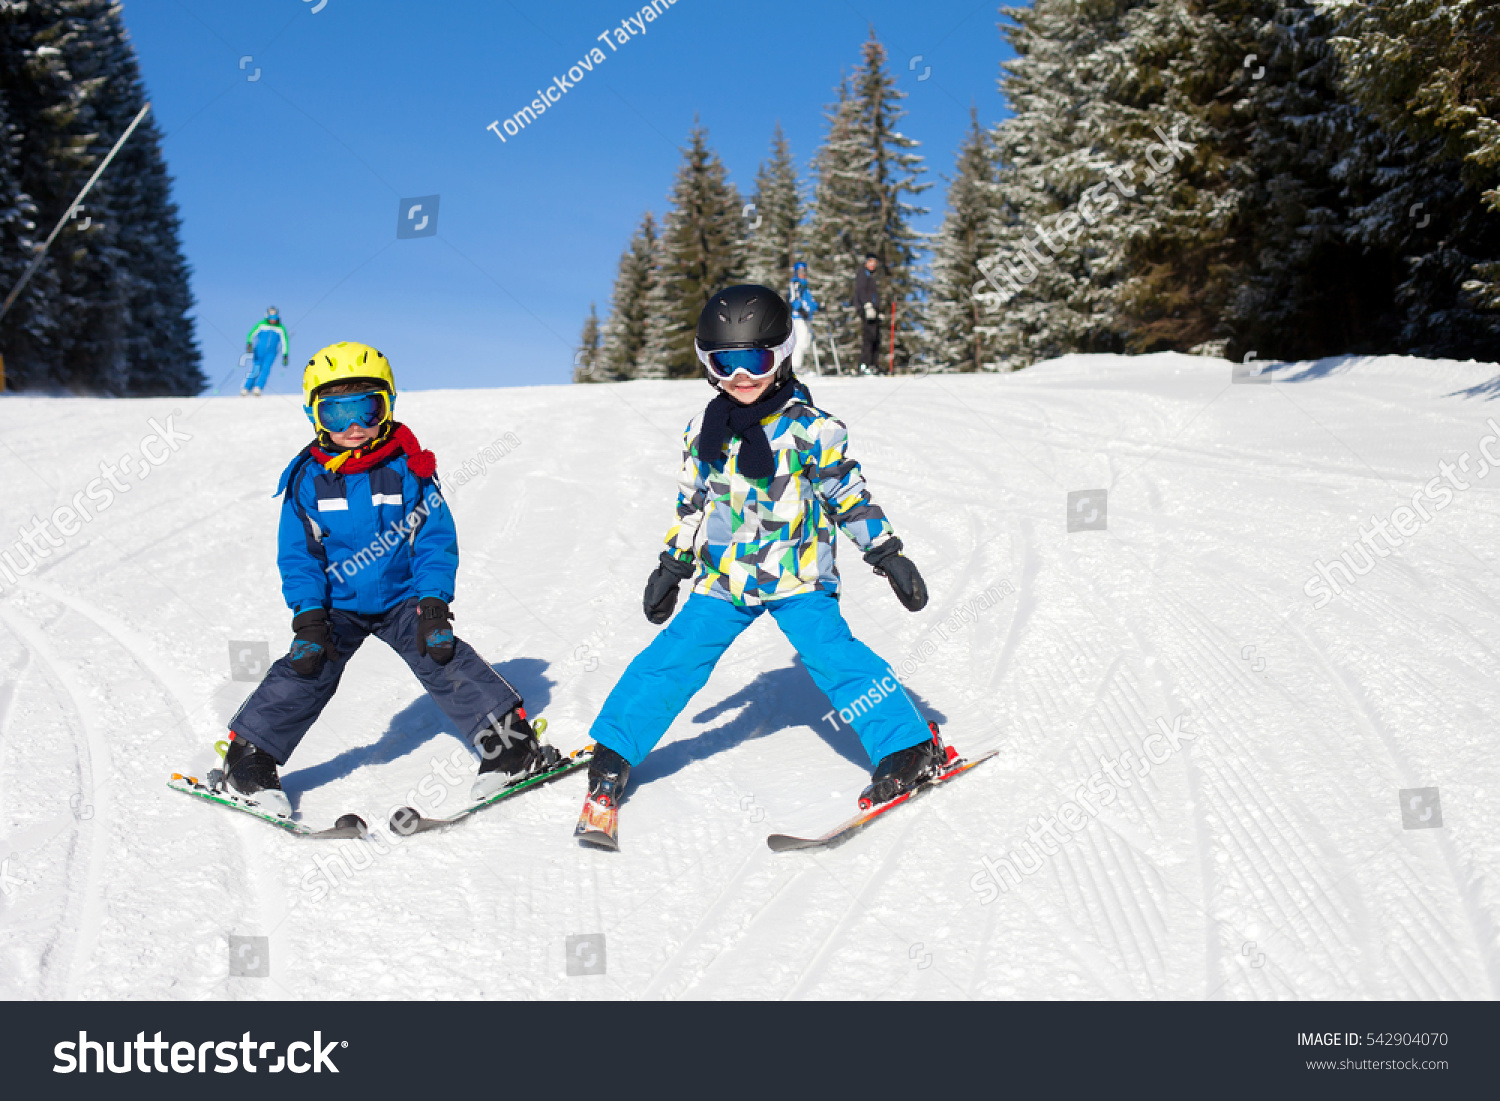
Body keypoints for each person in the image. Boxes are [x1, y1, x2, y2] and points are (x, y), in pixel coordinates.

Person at [575, 284, 939, 848]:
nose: (741, 376)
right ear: (707, 363)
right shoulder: (704, 433)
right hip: (725, 580)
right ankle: (615, 751)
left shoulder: (813, 430)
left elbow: (849, 494)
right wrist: (672, 565)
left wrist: (886, 552)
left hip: (798, 577)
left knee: (833, 656)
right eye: (726, 362)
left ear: (783, 355)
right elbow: (692, 504)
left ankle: (906, 746)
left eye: (755, 360)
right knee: (672, 659)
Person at [222, 342, 550, 817]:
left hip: (403, 598)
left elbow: (434, 539)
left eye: (367, 409)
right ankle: (249, 758)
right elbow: (299, 557)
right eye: (336, 413)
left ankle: (511, 746)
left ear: (388, 405)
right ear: (315, 415)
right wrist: (309, 613)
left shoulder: (406, 470)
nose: (353, 427)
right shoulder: (307, 480)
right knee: (308, 666)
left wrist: (433, 604)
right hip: (337, 603)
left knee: (441, 654)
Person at [241, 306, 290, 396]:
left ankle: (258, 387)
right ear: (267, 316)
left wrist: (285, 355)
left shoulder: (280, 328)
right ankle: (246, 388)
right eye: (271, 318)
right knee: (255, 368)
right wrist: (249, 344)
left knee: (266, 369)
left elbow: (285, 342)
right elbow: (251, 334)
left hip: (271, 353)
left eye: (274, 318)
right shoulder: (261, 325)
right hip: (259, 351)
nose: (272, 320)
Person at [788, 261, 819, 373]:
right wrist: (800, 309)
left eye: (804, 271)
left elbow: (810, 301)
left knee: (806, 341)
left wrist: (818, 307)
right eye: (800, 271)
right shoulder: (796, 283)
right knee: (800, 340)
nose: (803, 273)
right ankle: (795, 365)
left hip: (806, 317)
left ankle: (799, 364)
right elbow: (793, 299)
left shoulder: (805, 285)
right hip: (798, 317)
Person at [853, 253, 881, 376]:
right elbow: (861, 290)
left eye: (875, 262)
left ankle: (873, 364)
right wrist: (867, 305)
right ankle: (864, 364)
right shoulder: (862, 274)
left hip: (873, 310)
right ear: (866, 262)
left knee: (876, 337)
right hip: (866, 309)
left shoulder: (871, 276)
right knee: (869, 337)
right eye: (871, 262)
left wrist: (877, 309)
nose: (873, 265)